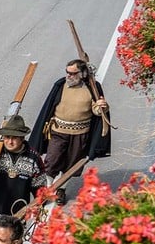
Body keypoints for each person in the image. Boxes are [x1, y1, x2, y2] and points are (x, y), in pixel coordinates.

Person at [28, 59, 111, 205]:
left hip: (80, 134)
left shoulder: (92, 87)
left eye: (73, 73)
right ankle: (47, 190)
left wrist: (101, 107)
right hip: (58, 131)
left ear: (83, 73)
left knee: (72, 165)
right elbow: (50, 107)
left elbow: (96, 111)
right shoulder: (60, 85)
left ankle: (61, 190)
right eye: (67, 72)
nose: (69, 76)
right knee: (51, 161)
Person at [0, 116, 45, 241]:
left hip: (14, 219)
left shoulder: (34, 159)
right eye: (7, 137)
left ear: (22, 138)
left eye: (14, 138)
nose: (10, 141)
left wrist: (40, 210)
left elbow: (40, 188)